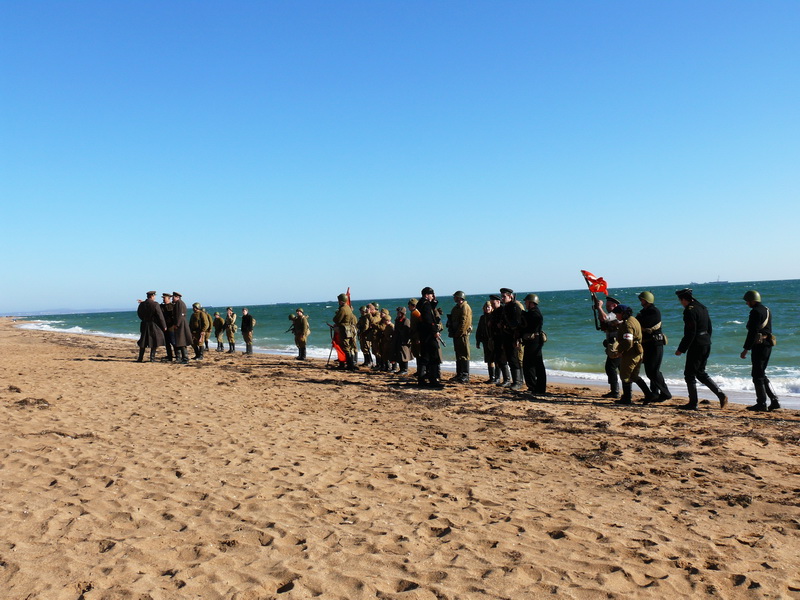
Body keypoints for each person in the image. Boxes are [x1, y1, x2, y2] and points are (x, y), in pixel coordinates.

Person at [674, 288, 728, 410]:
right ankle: (720, 394)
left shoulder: (689, 311)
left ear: (683, 299)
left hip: (696, 345)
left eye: (680, 300)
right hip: (706, 342)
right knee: (700, 373)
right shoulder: (702, 307)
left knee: (689, 374)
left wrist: (681, 349)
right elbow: (709, 327)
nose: (680, 303)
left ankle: (693, 403)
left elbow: (690, 332)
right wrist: (707, 340)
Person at [741, 290, 780, 411]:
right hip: (768, 344)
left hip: (760, 345)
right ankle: (774, 400)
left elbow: (752, 333)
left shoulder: (755, 312)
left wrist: (745, 349)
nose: (747, 303)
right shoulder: (766, 309)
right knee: (761, 373)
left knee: (757, 375)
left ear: (753, 301)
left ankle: (761, 403)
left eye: (748, 301)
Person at [636, 291, 672, 403]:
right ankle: (655, 393)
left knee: (653, 371)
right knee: (650, 370)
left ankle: (665, 393)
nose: (640, 302)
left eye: (642, 299)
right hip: (648, 344)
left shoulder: (654, 311)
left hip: (655, 344)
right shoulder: (644, 311)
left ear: (646, 300)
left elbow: (643, 323)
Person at [608, 305, 645, 405]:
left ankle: (627, 398)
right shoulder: (633, 320)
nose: (616, 316)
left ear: (623, 313)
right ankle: (649, 394)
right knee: (634, 376)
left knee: (625, 376)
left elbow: (628, 342)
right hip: (637, 352)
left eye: (617, 314)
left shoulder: (628, 324)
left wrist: (620, 351)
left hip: (631, 353)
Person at [416, 287, 443, 387]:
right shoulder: (426, 305)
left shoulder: (421, 303)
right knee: (433, 356)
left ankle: (422, 379)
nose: (433, 296)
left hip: (423, 334)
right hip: (428, 334)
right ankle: (433, 379)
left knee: (424, 357)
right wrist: (435, 331)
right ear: (427, 295)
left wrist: (433, 302)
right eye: (432, 294)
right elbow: (429, 319)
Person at [499, 288, 525, 391]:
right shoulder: (506, 307)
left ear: (511, 296)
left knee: (514, 359)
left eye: (504, 296)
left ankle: (518, 382)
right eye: (502, 296)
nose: (502, 298)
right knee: (510, 359)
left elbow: (518, 324)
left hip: (513, 337)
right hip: (506, 336)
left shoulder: (515, 307)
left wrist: (517, 338)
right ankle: (515, 381)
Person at [595, 296, 622, 398]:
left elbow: (604, 318)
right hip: (615, 345)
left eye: (607, 306)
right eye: (605, 306)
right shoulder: (615, 314)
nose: (606, 307)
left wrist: (599, 307)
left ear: (614, 305)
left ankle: (615, 391)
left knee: (610, 367)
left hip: (617, 346)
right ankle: (619, 390)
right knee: (620, 368)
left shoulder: (615, 314)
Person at [521, 293, 546, 395]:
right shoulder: (533, 312)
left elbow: (532, 324)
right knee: (532, 364)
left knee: (531, 365)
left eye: (526, 302)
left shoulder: (535, 313)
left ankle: (536, 387)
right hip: (533, 341)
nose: (525, 303)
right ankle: (535, 387)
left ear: (531, 303)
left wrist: (522, 314)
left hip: (534, 341)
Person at [448, 291, 473, 383]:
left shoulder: (465, 307)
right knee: (458, 354)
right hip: (456, 334)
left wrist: (459, 332)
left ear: (459, 297)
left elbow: (465, 322)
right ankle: (459, 374)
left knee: (464, 354)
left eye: (455, 297)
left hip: (463, 335)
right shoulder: (456, 308)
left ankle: (465, 375)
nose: (454, 298)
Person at [136, 291, 166, 362]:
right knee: (155, 340)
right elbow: (160, 316)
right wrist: (164, 325)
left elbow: (139, 313)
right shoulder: (155, 304)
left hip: (144, 324)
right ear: (152, 296)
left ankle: (140, 358)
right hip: (153, 324)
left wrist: (143, 319)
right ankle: (152, 358)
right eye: (154, 296)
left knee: (143, 341)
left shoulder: (142, 304)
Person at [488, 294, 510, 386]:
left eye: (493, 303)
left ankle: (507, 379)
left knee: (502, 359)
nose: (492, 306)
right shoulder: (494, 313)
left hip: (502, 338)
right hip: (495, 338)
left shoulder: (502, 311)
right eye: (491, 304)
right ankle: (497, 378)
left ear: (498, 302)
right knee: (497, 359)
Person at [333, 293, 358, 370]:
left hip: (344, 329)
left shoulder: (343, 309)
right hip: (349, 329)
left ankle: (350, 365)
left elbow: (337, 319)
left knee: (345, 347)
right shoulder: (348, 308)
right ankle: (351, 364)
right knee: (349, 347)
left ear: (341, 301)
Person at [475, 300, 498, 383]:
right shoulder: (482, 318)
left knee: (496, 359)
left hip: (493, 340)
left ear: (491, 308)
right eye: (485, 307)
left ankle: (497, 377)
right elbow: (479, 330)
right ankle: (491, 377)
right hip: (485, 341)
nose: (487, 308)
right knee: (489, 360)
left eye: (488, 307)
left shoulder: (494, 316)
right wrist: (478, 341)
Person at [171, 292, 194, 365]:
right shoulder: (179, 303)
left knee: (182, 341)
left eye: (173, 297)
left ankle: (185, 358)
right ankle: (183, 358)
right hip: (181, 324)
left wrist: (177, 324)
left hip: (181, 325)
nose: (172, 299)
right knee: (180, 341)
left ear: (177, 297)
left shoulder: (179, 303)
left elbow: (180, 315)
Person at [393, 306, 413, 374]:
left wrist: (407, 339)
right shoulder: (397, 320)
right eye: (397, 312)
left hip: (404, 340)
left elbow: (407, 330)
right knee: (399, 354)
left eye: (399, 312)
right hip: (398, 339)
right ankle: (401, 369)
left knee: (404, 354)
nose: (398, 314)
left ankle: (405, 369)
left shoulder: (406, 320)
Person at [160, 292, 176, 362]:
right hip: (164, 327)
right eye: (163, 298)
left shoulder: (173, 306)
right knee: (167, 343)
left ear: (168, 298)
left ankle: (178, 356)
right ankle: (169, 356)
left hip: (171, 327)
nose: (163, 299)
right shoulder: (161, 306)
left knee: (173, 342)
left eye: (164, 298)